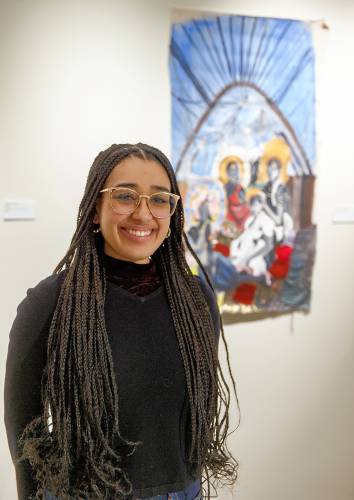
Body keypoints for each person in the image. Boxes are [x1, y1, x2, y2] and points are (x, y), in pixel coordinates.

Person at [4, 143, 239, 500]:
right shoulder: (51, 302)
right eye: (125, 196)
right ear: (94, 209)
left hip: (181, 490)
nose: (143, 214)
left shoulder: (196, 300)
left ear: (173, 213)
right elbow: (23, 425)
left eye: (160, 199)